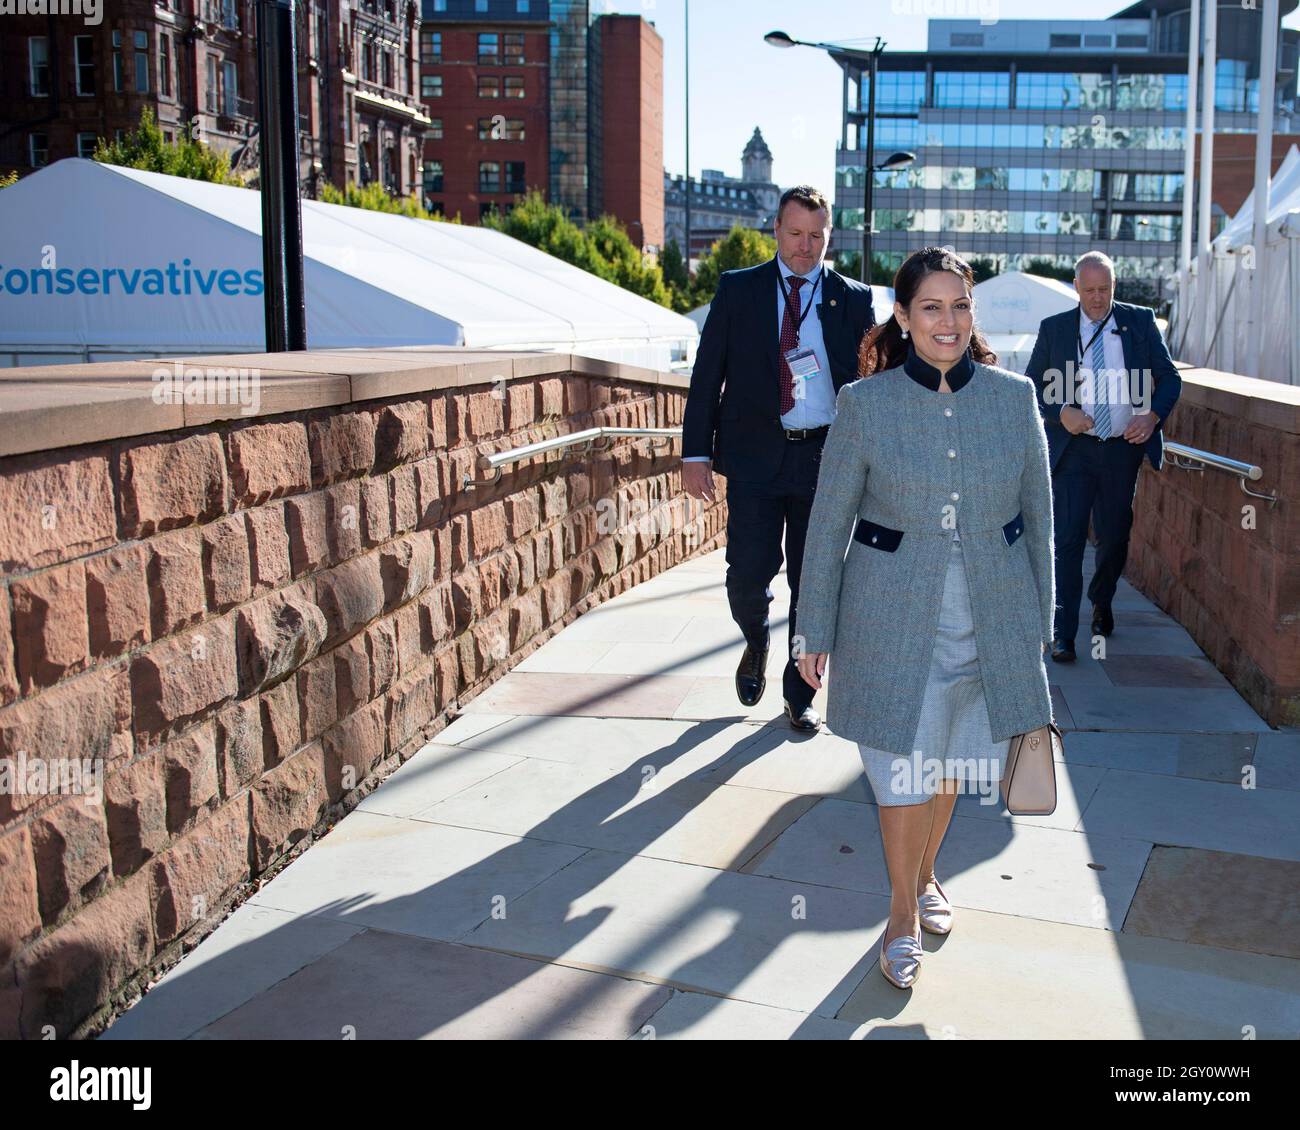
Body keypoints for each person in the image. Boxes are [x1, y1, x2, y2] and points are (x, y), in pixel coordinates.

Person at [794, 247, 1056, 989]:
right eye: (932, 307)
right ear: (903, 318)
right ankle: (901, 911)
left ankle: (930, 869)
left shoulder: (1013, 399)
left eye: (960, 306)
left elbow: (1039, 517)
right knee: (902, 771)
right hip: (889, 622)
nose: (948, 321)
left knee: (947, 769)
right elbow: (827, 523)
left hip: (989, 619)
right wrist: (814, 628)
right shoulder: (863, 405)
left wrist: (1040, 625)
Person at [680, 185, 875, 731]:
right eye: (795, 233)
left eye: (816, 236)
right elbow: (706, 377)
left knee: (814, 582)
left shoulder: (852, 298)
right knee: (746, 575)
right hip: (754, 460)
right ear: (776, 231)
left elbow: (871, 384)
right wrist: (695, 452)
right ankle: (755, 639)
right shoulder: (738, 290)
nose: (805, 246)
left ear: (828, 237)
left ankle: (800, 693)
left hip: (825, 462)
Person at [1024, 250, 1182, 662]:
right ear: (1076, 287)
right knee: (1068, 540)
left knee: (1113, 538)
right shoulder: (1055, 329)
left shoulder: (1139, 322)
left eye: (1105, 289)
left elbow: (1169, 378)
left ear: (1115, 286)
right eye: (1090, 289)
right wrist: (1061, 413)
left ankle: (1102, 599)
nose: (1097, 298)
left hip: (1121, 451)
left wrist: (1151, 417)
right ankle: (1063, 632)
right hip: (1073, 454)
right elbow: (1029, 389)